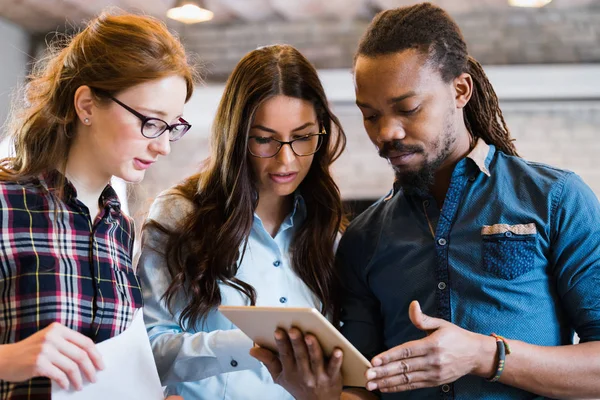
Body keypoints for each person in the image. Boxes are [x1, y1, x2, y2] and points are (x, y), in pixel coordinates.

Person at [255, 2, 600, 400]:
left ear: (460, 90)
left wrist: (485, 355)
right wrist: (318, 394)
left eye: (408, 108)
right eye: (370, 115)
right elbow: (365, 386)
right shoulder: (364, 238)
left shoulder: (555, 199)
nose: (387, 132)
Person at [0, 10, 198, 400]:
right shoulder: (6, 204)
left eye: (172, 126)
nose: (162, 145)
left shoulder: (119, 227)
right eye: (151, 122)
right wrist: (8, 359)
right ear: (87, 105)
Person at [136, 44, 348, 400]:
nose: (285, 161)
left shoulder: (329, 233)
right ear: (235, 136)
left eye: (302, 138)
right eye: (264, 140)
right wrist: (257, 342)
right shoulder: (180, 215)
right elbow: (150, 349)